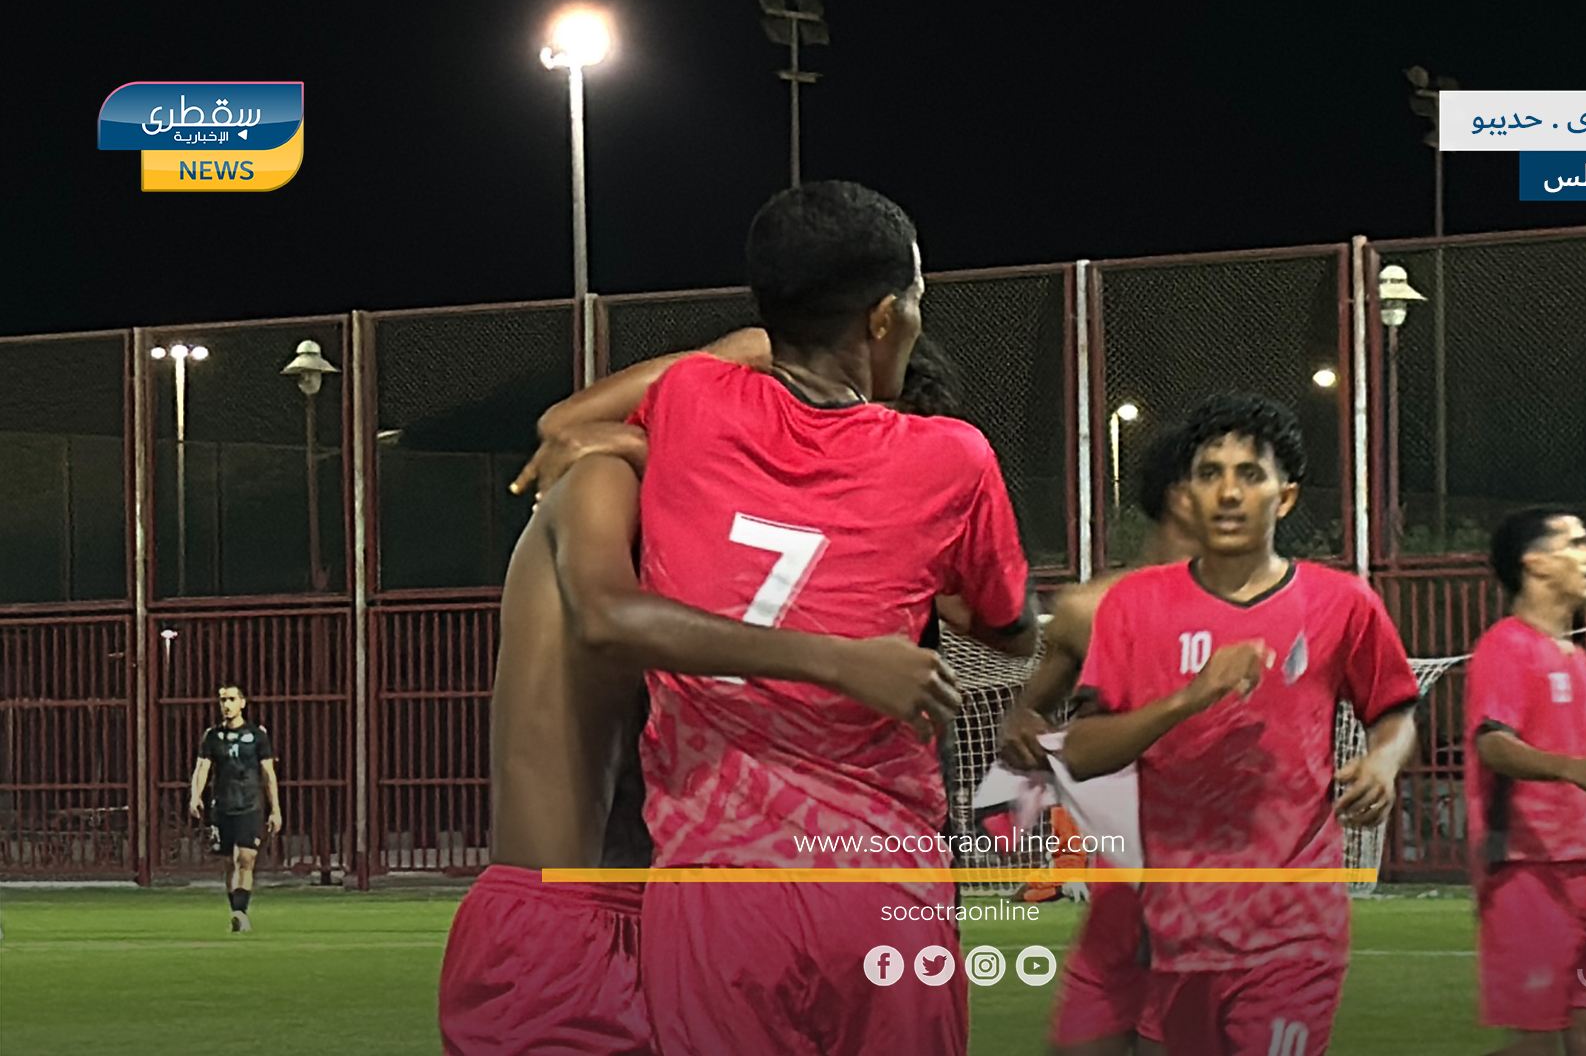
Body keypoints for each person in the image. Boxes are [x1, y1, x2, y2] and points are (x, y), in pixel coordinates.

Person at [439, 336, 968, 1056]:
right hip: (568, 923)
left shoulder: (738, 546)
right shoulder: (605, 482)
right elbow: (607, 616)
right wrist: (841, 663)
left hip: (677, 923)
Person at [629, 181, 1037, 1056]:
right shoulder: (950, 456)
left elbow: (566, 424)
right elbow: (1009, 627)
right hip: (880, 884)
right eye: (917, 299)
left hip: (713, 891)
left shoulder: (689, 398)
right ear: (885, 318)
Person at [1059, 392, 1420, 1056]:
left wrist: (1383, 761)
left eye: (1250, 475)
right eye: (1210, 474)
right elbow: (1080, 752)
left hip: (1295, 925)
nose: (1228, 493)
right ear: (1187, 495)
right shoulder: (1134, 606)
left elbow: (1394, 710)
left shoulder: (1342, 604)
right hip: (1175, 930)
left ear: (1285, 497)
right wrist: (1188, 699)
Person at [995, 425, 1200, 1056]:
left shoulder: (1270, 609)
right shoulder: (1090, 610)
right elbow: (1021, 721)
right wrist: (1028, 734)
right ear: (1181, 495)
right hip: (1119, 904)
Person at [1467, 509, 1586, 1056]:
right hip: (1527, 870)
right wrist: (1574, 768)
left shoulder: (1577, 660)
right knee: (1538, 1043)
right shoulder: (1506, 646)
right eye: (1576, 543)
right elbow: (1492, 743)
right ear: (1537, 563)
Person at [188, 685, 281, 933]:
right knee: (229, 862)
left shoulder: (257, 736)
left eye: (231, 699)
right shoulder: (212, 736)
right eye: (222, 700)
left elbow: (268, 773)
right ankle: (235, 911)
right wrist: (195, 796)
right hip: (223, 806)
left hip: (249, 805)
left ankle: (241, 912)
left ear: (242, 703)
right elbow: (202, 767)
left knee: (246, 858)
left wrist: (275, 809)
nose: (226, 705)